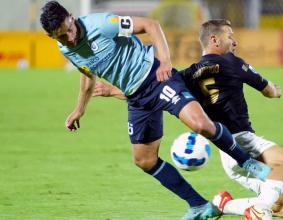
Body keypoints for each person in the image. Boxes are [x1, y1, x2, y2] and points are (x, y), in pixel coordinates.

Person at [39, 2, 271, 220]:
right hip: (136, 97)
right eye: (61, 35)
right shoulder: (66, 49)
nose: (69, 37)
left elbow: (150, 25)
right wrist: (79, 109)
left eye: (68, 29)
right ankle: (199, 205)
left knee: (201, 125)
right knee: (144, 160)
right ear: (51, 36)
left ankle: (248, 163)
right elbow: (87, 75)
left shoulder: (101, 24)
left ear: (72, 17)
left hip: (156, 77)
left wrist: (166, 61)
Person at [93, 19, 283, 219]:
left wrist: (112, 91)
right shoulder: (232, 62)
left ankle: (224, 204)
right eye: (230, 36)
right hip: (242, 142)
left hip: (227, 154)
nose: (234, 41)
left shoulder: (186, 76)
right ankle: (261, 207)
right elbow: (268, 91)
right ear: (214, 40)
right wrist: (277, 90)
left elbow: (152, 91)